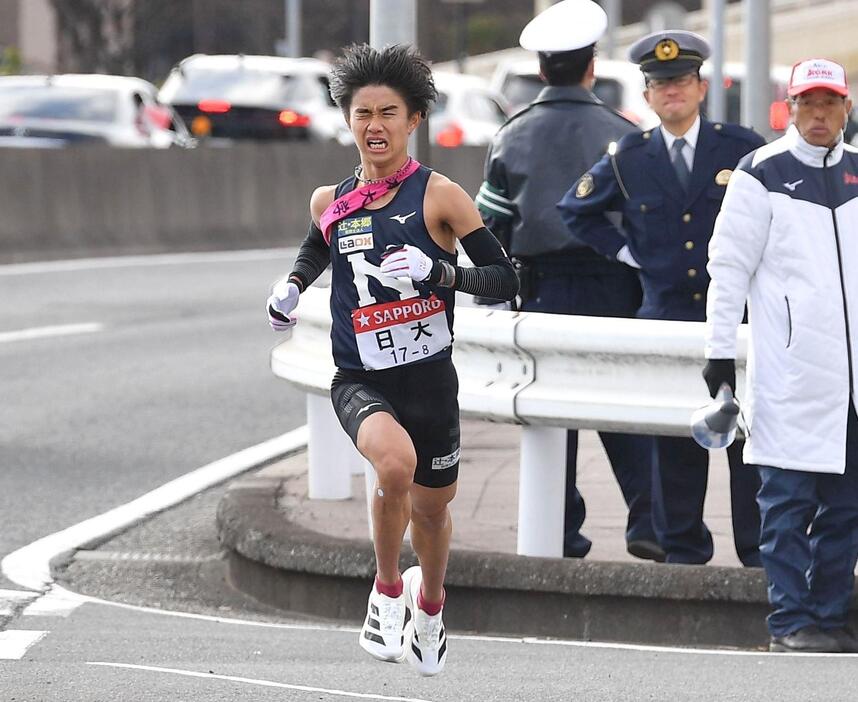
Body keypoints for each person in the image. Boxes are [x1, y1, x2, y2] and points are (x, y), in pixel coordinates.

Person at [266, 43, 518, 675]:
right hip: (360, 378)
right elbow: (316, 249)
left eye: (388, 113)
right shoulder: (332, 201)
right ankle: (384, 591)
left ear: (414, 121)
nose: (374, 125)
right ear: (347, 121)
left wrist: (440, 272)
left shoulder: (442, 196)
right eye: (362, 113)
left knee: (432, 510)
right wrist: (292, 287)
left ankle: (429, 606)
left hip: (430, 382)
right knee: (394, 465)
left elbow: (503, 277)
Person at [558, 30, 765, 567]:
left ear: (700, 88)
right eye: (659, 85)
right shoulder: (629, 156)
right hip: (666, 318)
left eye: (680, 82)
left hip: (737, 318)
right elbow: (573, 209)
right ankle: (682, 554)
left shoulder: (741, 147)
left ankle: (757, 554)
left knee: (749, 443)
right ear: (646, 96)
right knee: (673, 445)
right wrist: (627, 254)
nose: (671, 92)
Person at [476, 0, 662, 563]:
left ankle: (559, 530)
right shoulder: (626, 135)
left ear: (540, 69)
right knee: (625, 409)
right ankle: (649, 524)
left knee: (551, 413)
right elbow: (645, 224)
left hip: (542, 288)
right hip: (614, 285)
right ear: (592, 66)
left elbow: (492, 229)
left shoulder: (512, 136)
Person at [704, 58, 858, 653]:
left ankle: (829, 615)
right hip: (791, 374)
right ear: (789, 109)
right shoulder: (759, 173)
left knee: (846, 509)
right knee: (788, 505)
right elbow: (728, 271)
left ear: (846, 108)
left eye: (830, 103)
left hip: (850, 387)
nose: (819, 115)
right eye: (807, 103)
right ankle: (790, 621)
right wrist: (718, 356)